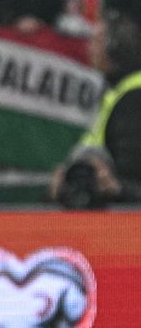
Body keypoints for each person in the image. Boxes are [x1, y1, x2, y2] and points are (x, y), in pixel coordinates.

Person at [51, 12, 141, 208]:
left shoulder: (133, 98)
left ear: (115, 48)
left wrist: (116, 187)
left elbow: (132, 172)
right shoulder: (117, 90)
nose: (89, 48)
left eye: (96, 41)